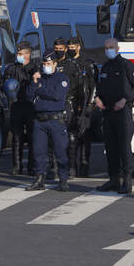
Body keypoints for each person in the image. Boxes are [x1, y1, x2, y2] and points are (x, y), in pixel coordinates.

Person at [95, 38, 134, 194]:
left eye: (111, 47)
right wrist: (98, 98)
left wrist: (125, 99)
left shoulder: (126, 65)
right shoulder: (105, 67)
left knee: (124, 148)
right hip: (108, 113)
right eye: (106, 47)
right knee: (110, 148)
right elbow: (100, 88)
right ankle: (113, 180)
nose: (108, 50)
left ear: (118, 48)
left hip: (122, 113)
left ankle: (127, 181)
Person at [25, 50, 71, 192]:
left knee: (60, 151)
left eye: (48, 63)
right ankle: (39, 179)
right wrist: (34, 83)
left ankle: (63, 180)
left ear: (55, 64)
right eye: (44, 63)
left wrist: (40, 90)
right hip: (40, 120)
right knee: (39, 151)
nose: (46, 66)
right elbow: (28, 96)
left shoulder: (61, 78)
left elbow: (57, 96)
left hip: (56, 120)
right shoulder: (39, 77)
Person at [2, 41, 40, 175]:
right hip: (16, 105)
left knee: (32, 137)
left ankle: (31, 166)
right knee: (17, 136)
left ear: (28, 54)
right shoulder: (11, 69)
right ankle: (17, 166)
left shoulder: (35, 68)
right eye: (17, 53)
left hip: (31, 106)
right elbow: (4, 85)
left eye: (21, 53)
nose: (18, 56)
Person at [53, 38, 83, 179]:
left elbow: (79, 88)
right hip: (55, 103)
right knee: (54, 137)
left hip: (69, 103)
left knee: (71, 137)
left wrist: (80, 107)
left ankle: (71, 167)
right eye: (56, 49)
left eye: (61, 49)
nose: (58, 51)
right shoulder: (51, 64)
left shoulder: (71, 66)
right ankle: (55, 168)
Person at [67, 36, 93, 177]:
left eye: (73, 47)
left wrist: (90, 104)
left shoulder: (86, 64)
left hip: (84, 103)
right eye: (69, 48)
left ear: (78, 47)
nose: (71, 50)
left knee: (84, 136)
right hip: (71, 103)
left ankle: (84, 166)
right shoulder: (67, 63)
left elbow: (93, 85)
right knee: (71, 137)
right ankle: (72, 167)